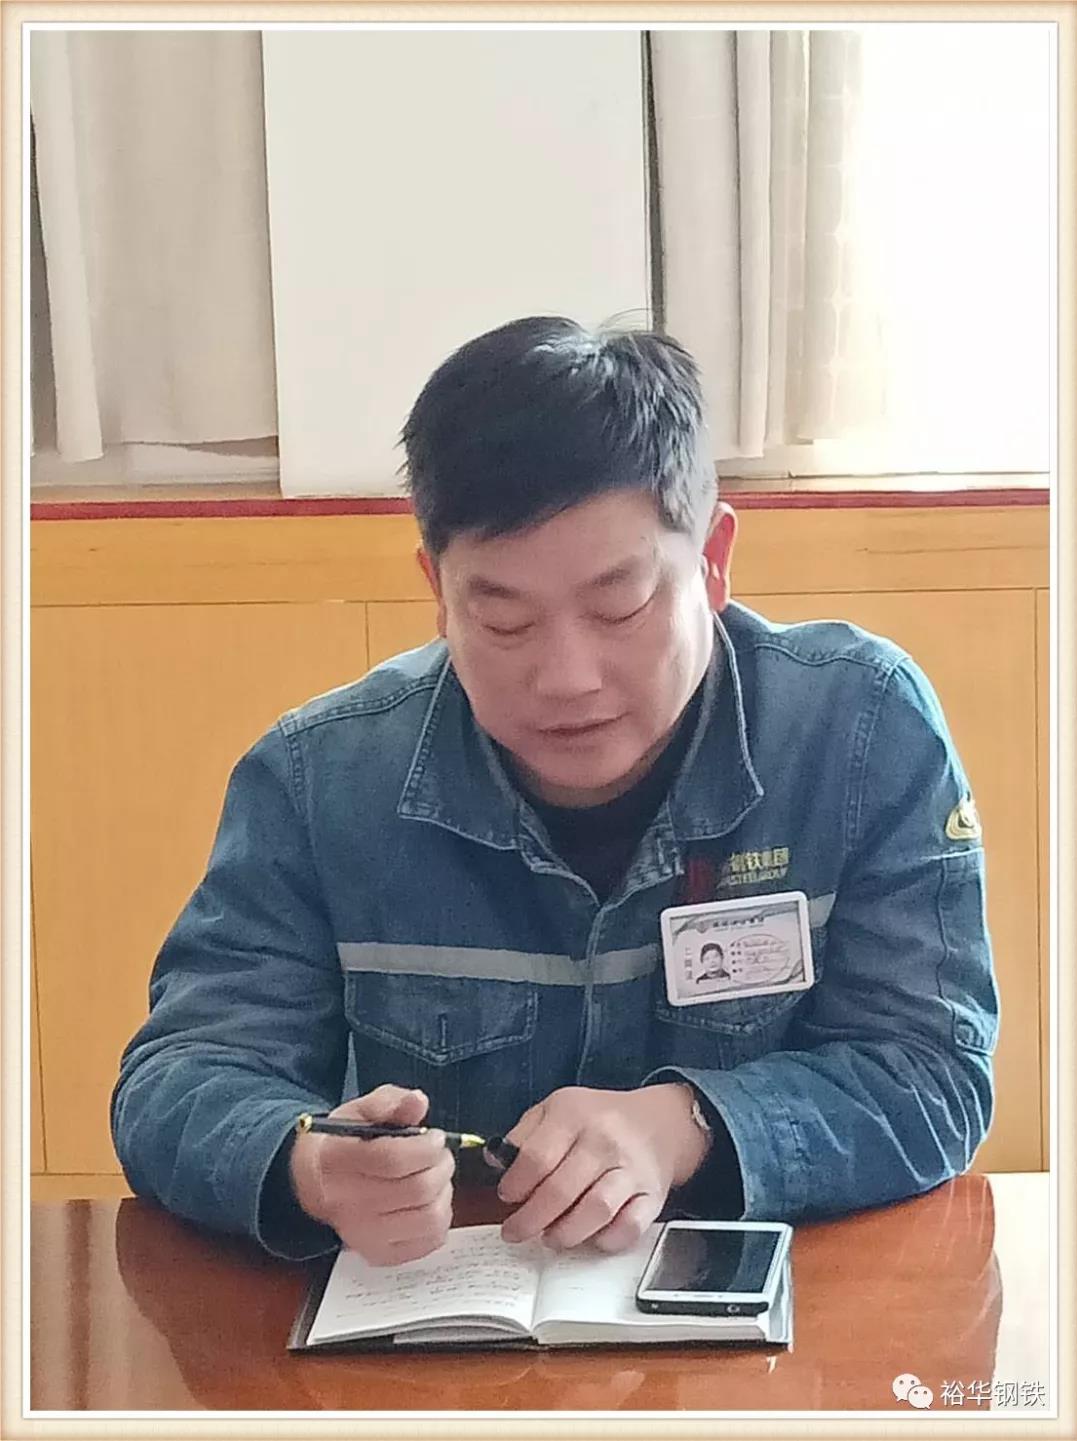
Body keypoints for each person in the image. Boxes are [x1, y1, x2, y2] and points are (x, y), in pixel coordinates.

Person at [112, 316, 998, 1267]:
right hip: (442, 1330)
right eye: (503, 620)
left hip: (786, 1325)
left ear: (713, 559)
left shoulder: (860, 733)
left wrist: (686, 1122)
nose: (567, 678)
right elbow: (180, 1075)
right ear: (437, 591)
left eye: (620, 605)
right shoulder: (319, 779)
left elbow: (932, 1070)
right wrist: (307, 1164)